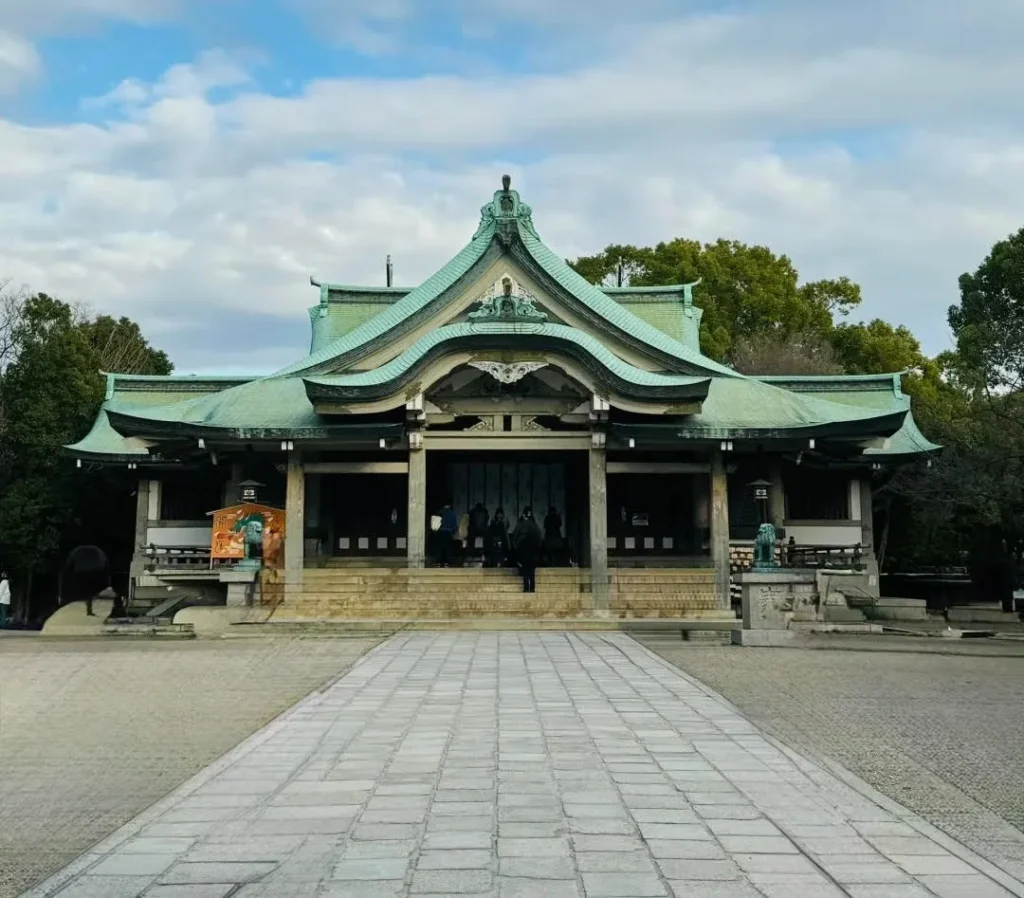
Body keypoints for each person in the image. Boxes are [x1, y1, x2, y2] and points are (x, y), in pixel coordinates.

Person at [513, 507, 542, 593]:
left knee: (525, 570)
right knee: (532, 571)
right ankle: (532, 588)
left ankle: (526, 588)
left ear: (524, 515)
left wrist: (516, 548)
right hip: (533, 550)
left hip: (523, 549)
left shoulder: (520, 524)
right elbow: (539, 539)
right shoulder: (534, 525)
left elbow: (515, 537)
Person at [437, 503, 458, 567]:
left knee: (440, 547)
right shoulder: (453, 513)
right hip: (448, 532)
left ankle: (440, 562)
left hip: (440, 532)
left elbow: (435, 522)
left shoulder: (440, 512)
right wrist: (453, 532)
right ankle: (447, 562)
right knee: (448, 547)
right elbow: (454, 525)